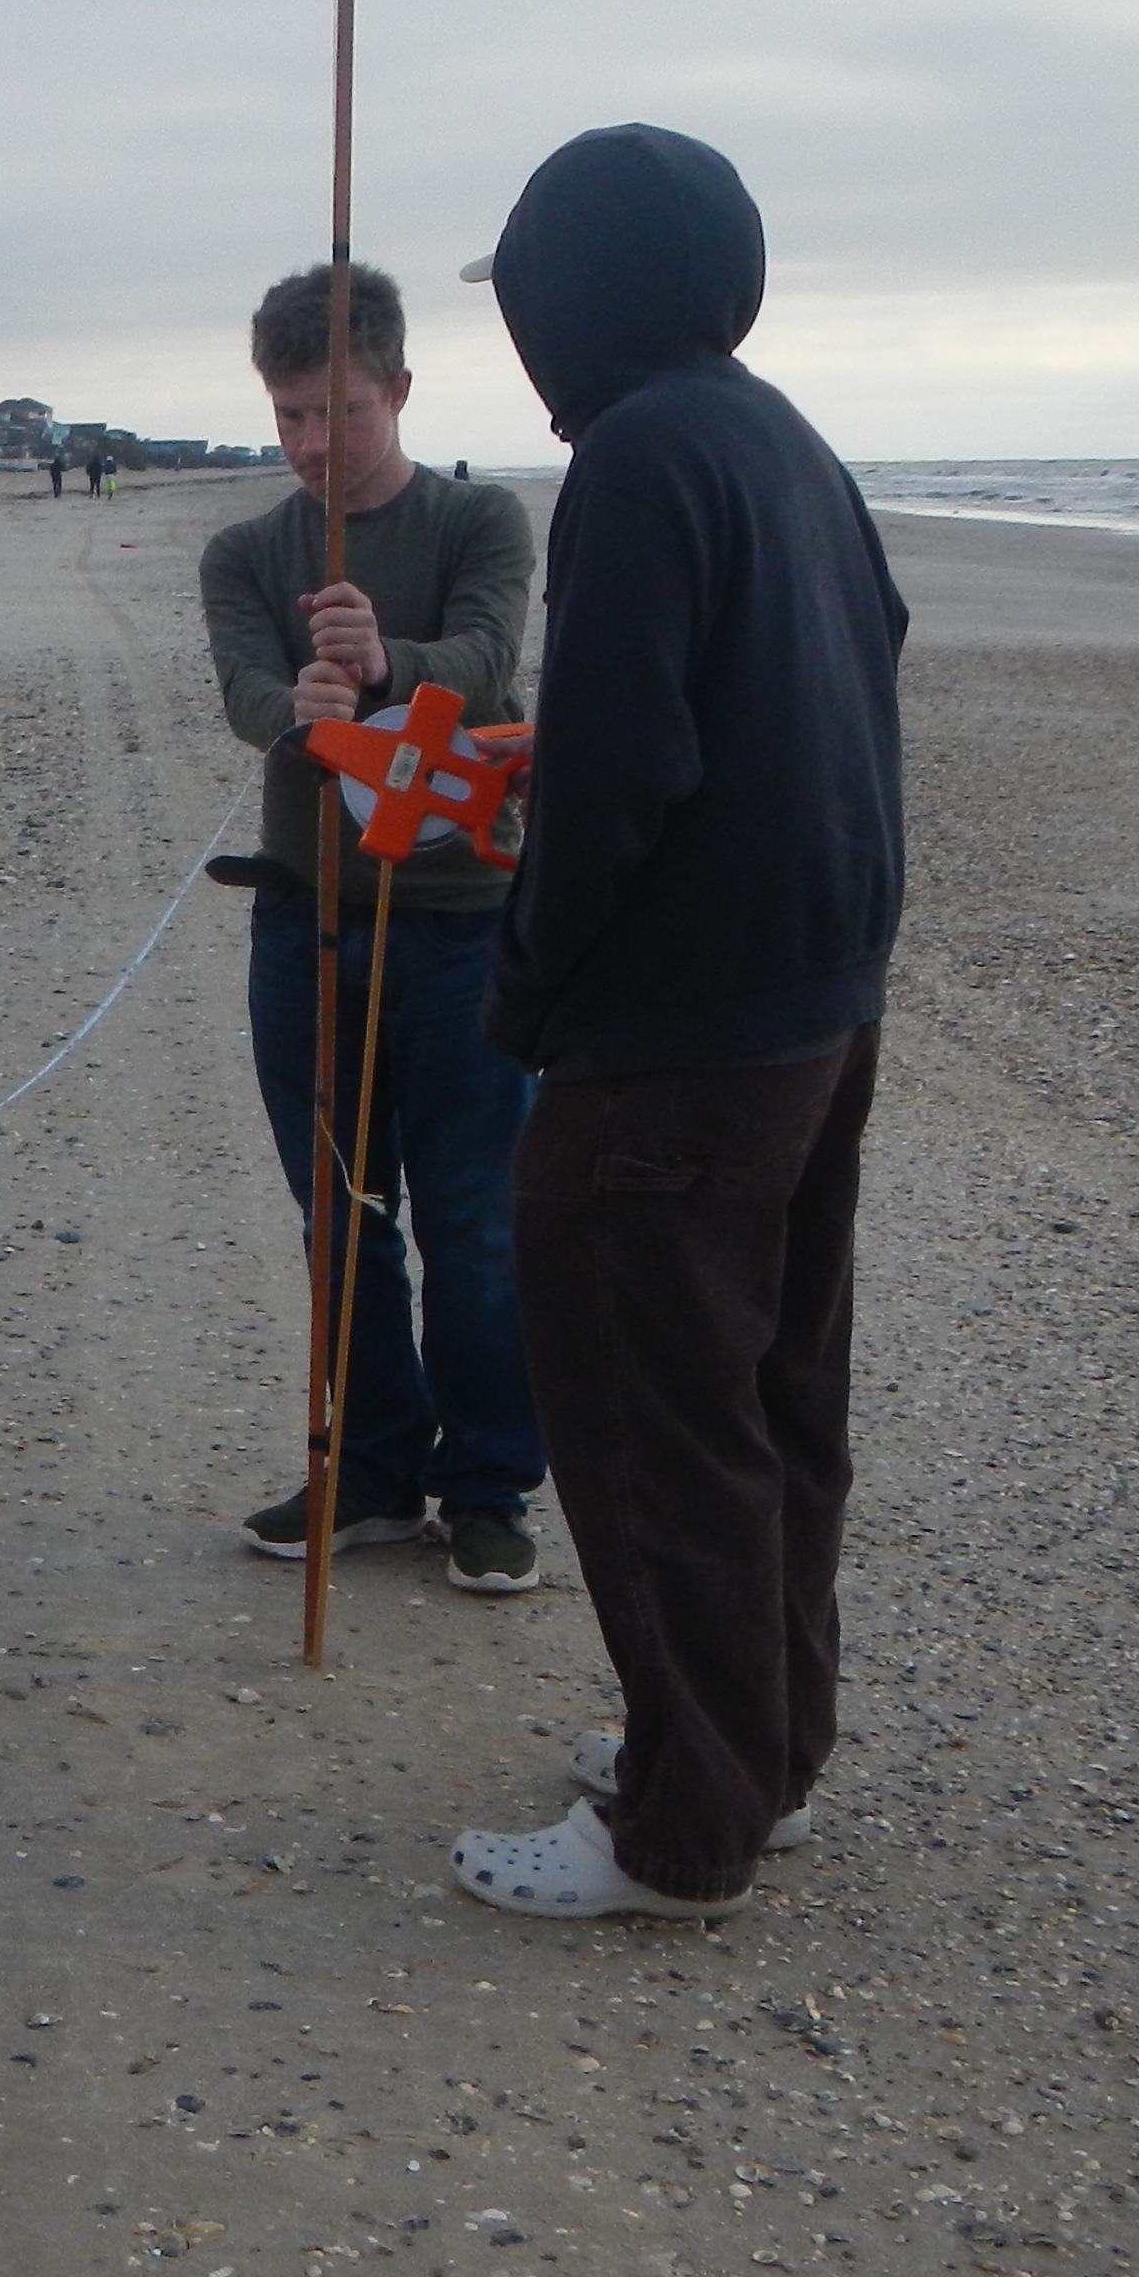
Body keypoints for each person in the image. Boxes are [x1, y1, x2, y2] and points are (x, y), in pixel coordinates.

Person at [447, 124, 907, 1922]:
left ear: (579, 298)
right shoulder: (781, 438)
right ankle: (751, 1747)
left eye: (525, 292)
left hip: (678, 1045)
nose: (520, 331)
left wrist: (526, 985)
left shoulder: (639, 458)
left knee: (652, 1420)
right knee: (775, 1402)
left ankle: (680, 1829)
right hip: (811, 1012)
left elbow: (629, 775)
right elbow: (827, 680)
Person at [197, 262, 546, 1598]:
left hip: (461, 925)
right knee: (343, 1214)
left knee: (473, 1219)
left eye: (337, 412)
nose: (309, 444)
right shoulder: (247, 553)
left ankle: (489, 1482)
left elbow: (488, 660)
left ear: (397, 390)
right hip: (311, 922)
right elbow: (241, 694)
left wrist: (390, 660)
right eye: (287, 415)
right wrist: (306, 700)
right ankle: (378, 1470)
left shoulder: (479, 521)